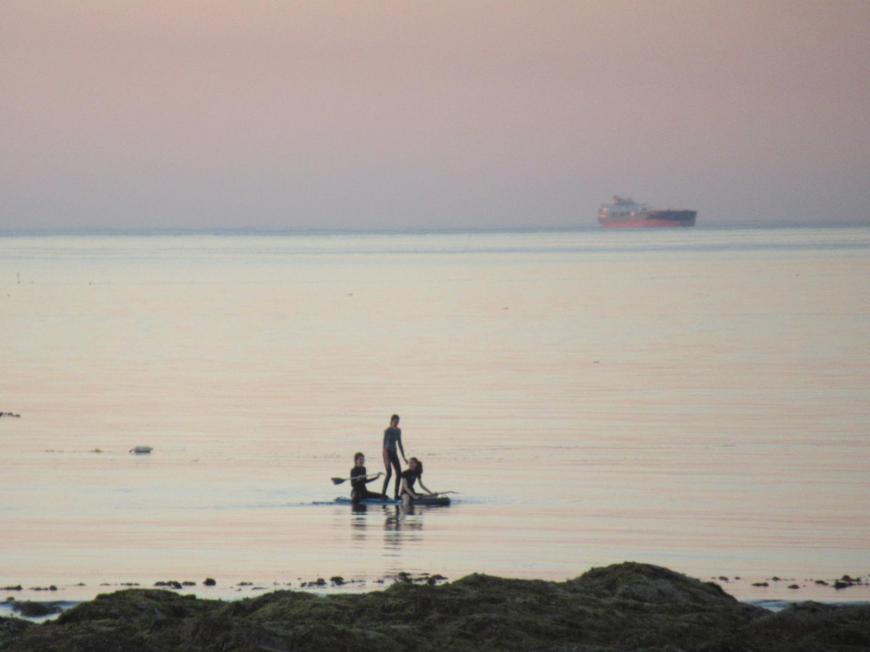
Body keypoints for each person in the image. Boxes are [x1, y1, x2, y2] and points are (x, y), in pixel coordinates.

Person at [381, 414, 407, 499]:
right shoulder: (387, 431)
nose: (396, 423)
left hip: (394, 452)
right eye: (395, 422)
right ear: (391, 421)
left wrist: (404, 457)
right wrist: (386, 459)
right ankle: (383, 494)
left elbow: (400, 444)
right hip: (387, 452)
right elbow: (384, 445)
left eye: (397, 422)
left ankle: (396, 494)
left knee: (399, 473)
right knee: (389, 473)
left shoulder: (398, 431)